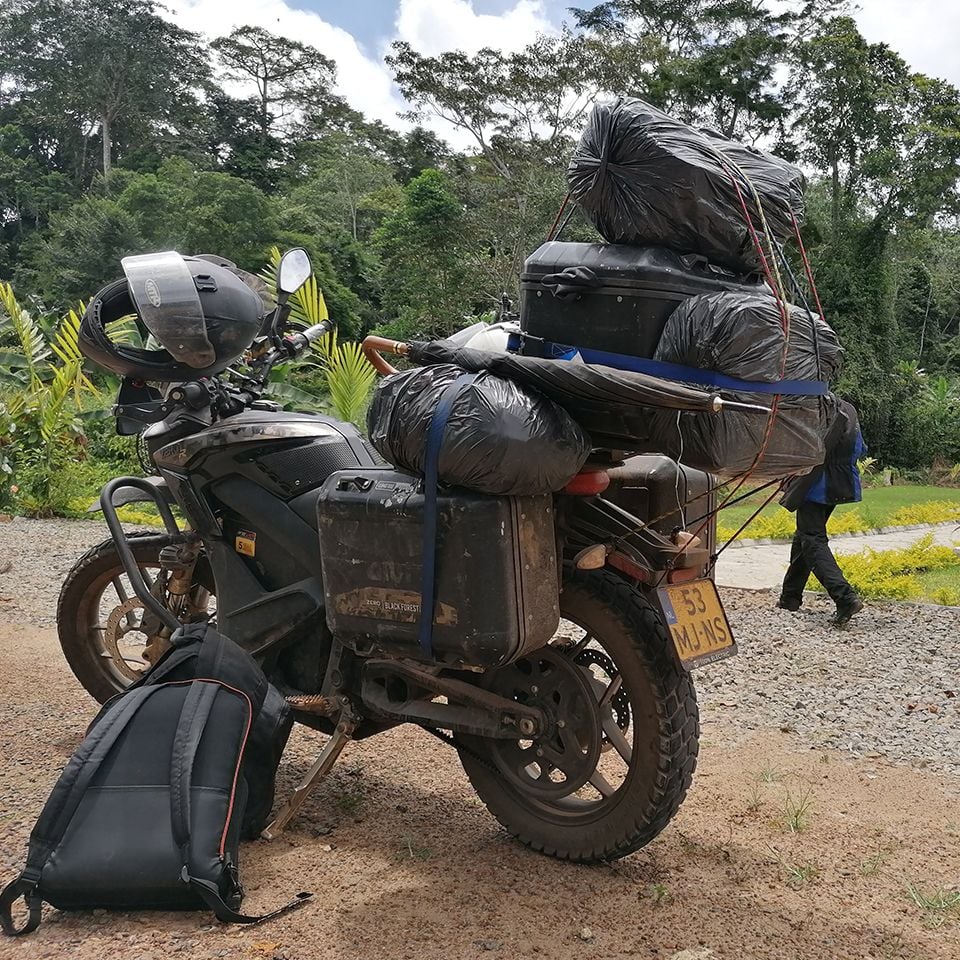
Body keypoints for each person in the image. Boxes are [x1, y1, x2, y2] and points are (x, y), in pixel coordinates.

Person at [777, 397, 866, 627]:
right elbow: (861, 447)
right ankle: (790, 598)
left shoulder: (816, 407)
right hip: (841, 482)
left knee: (812, 539)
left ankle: (845, 597)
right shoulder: (847, 407)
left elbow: (802, 447)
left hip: (817, 483)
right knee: (805, 535)